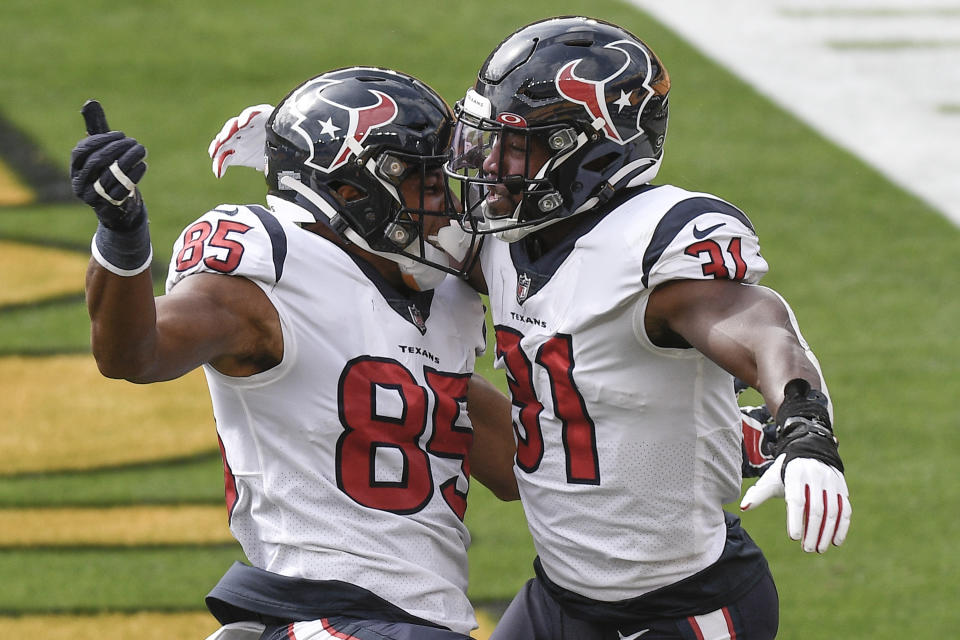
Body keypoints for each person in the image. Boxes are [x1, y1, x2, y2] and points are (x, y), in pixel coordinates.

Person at [70, 67, 519, 640]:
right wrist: (123, 235)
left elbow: (518, 466)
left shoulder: (441, 304)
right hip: (324, 609)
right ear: (354, 193)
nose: (449, 207)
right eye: (428, 185)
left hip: (424, 620)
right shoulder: (275, 272)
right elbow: (134, 353)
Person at [442, 16, 852, 640]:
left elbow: (761, 325)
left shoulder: (648, 245)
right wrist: (298, 181)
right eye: (487, 139)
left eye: (517, 146)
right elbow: (388, 247)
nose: (491, 166)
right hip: (561, 592)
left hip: (677, 606)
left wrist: (805, 427)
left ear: (590, 149)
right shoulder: (503, 237)